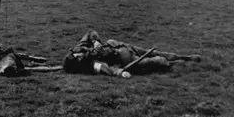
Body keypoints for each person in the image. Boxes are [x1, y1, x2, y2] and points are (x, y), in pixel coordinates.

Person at [63, 30, 201, 78]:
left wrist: (95, 42)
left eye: (77, 55)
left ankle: (181, 58)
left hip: (118, 46)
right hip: (124, 57)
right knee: (154, 61)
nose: (79, 56)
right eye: (78, 58)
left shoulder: (78, 48)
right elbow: (106, 69)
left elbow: (91, 33)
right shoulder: (89, 65)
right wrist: (119, 73)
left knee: (155, 55)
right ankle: (177, 62)